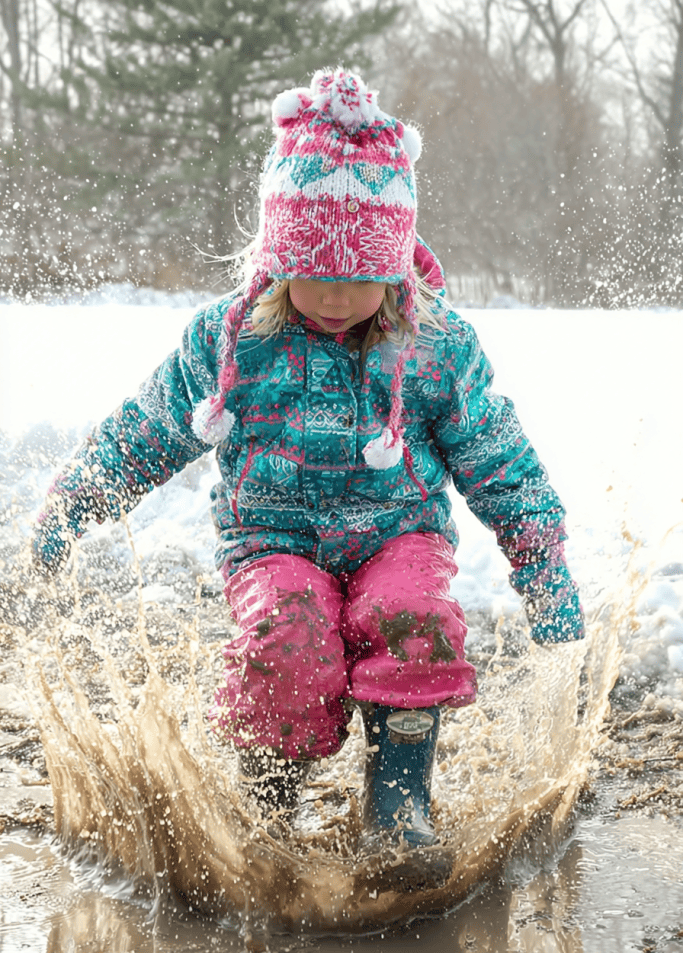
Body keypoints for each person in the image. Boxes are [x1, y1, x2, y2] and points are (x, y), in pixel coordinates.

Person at [32, 68, 584, 891]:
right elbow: (144, 431)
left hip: (401, 534)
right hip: (272, 542)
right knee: (287, 640)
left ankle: (398, 800)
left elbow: (498, 458)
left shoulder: (435, 344)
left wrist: (541, 559)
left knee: (410, 617)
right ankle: (269, 800)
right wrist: (75, 507)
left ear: (393, 268)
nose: (333, 294)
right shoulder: (227, 342)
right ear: (276, 255)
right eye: (311, 271)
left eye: (358, 276)